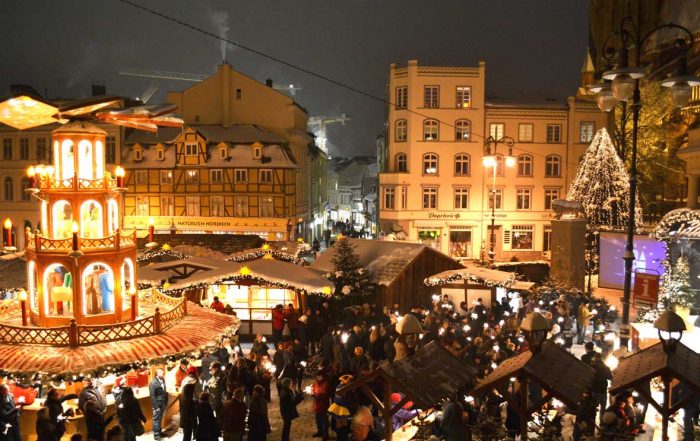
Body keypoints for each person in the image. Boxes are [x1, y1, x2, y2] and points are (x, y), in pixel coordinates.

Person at [310, 371, 331, 439]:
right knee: (318, 420)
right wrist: (311, 392)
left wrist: (316, 395)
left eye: (320, 376)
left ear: (323, 376)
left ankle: (325, 435)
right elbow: (312, 389)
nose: (319, 377)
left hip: (324, 405)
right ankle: (319, 432)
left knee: (325, 421)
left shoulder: (326, 384)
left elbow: (325, 394)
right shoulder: (315, 383)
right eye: (318, 376)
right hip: (317, 405)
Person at [149, 368, 168, 441]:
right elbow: (152, 395)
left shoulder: (163, 380)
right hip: (157, 404)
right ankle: (156, 436)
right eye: (160, 372)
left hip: (162, 403)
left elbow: (165, 392)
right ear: (157, 373)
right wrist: (156, 407)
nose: (162, 373)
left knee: (160, 419)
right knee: (156, 420)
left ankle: (159, 432)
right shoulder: (153, 383)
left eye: (162, 372)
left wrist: (166, 402)